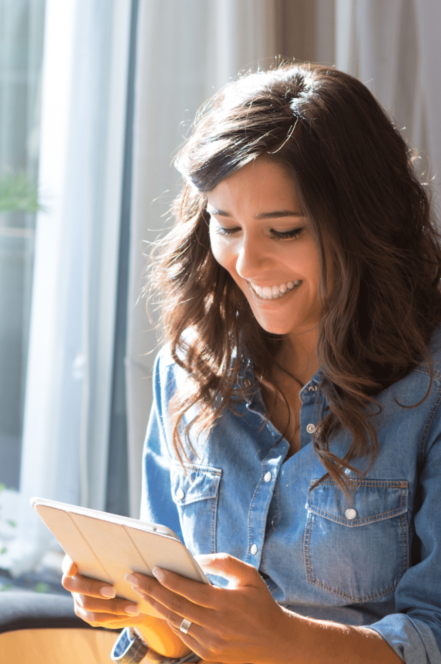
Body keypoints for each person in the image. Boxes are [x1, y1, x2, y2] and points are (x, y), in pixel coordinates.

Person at [61, 62, 441, 664]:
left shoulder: (428, 390)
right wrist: (143, 608)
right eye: (226, 225)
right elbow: (179, 628)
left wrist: (286, 641)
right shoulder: (188, 368)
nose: (247, 263)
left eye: (284, 231)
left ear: (365, 224)